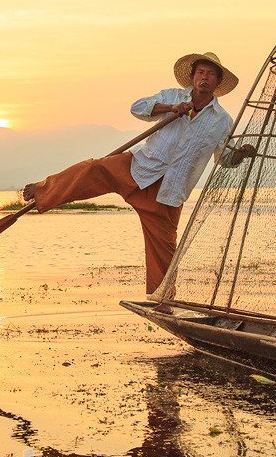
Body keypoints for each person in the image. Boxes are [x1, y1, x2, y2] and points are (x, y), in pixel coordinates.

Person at [23, 52, 254, 293]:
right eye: (200, 72)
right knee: (92, 169)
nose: (204, 78)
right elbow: (137, 108)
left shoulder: (222, 121)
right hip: (140, 166)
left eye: (210, 74)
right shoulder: (172, 95)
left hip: (171, 190)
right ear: (193, 76)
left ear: (217, 82)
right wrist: (171, 108)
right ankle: (42, 191)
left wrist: (241, 153)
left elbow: (224, 158)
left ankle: (162, 298)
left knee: (164, 248)